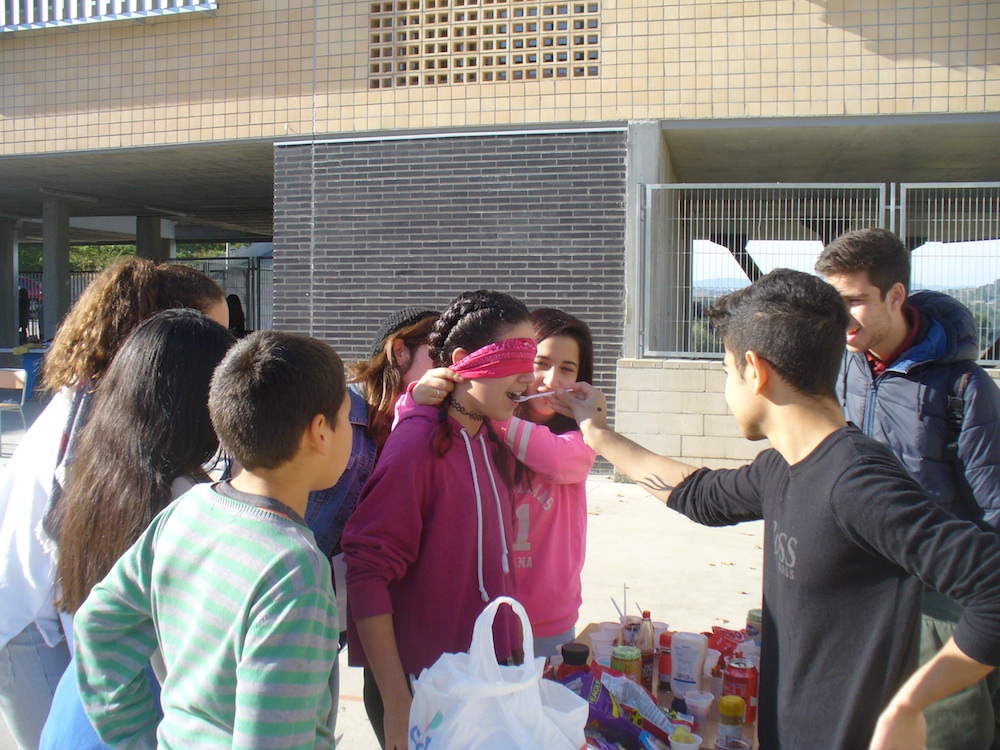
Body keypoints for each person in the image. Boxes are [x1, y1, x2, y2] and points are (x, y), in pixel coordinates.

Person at [556, 269, 1000, 749]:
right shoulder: (782, 467)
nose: (728, 389)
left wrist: (910, 704)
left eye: (727, 372)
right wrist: (598, 435)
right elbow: (698, 494)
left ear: (755, 370)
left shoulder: (857, 483)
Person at [73, 330, 351, 748]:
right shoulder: (295, 571)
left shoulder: (186, 510)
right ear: (320, 432)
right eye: (346, 416)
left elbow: (98, 627)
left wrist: (137, 739)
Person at [0, 258, 227, 749]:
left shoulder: (112, 412)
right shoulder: (92, 431)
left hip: (64, 618)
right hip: (28, 628)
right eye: (210, 338)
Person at [816, 227, 1000, 750]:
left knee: (944, 734)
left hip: (938, 600)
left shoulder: (965, 389)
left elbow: (993, 511)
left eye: (854, 301)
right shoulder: (842, 368)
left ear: (896, 295)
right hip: (863, 588)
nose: (840, 318)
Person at [342, 289, 536, 750]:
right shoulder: (416, 445)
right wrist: (397, 701)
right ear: (465, 361)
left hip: (481, 679)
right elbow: (367, 572)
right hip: (425, 692)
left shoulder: (490, 441)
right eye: (516, 357)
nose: (530, 377)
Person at [407, 307, 597, 657]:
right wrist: (414, 402)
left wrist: (482, 404)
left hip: (547, 620)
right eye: (540, 363)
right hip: (482, 616)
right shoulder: (479, 434)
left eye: (567, 369)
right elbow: (411, 445)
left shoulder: (581, 441)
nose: (551, 380)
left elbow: (557, 460)